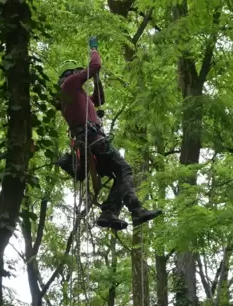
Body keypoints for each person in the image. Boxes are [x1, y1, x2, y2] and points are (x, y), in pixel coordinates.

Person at [55, 36, 162, 230]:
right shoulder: (68, 85)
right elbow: (94, 66)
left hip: (92, 142)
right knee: (125, 170)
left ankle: (110, 212)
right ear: (70, 73)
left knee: (120, 175)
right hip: (94, 141)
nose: (81, 74)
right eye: (78, 71)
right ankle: (133, 209)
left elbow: (99, 98)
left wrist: (97, 83)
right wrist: (94, 49)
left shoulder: (77, 97)